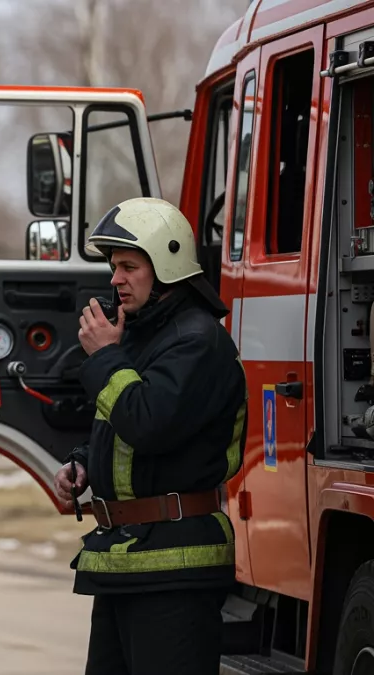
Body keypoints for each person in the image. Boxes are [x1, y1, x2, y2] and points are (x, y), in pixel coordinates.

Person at [53, 197, 246, 675]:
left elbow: (149, 423)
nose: (115, 279)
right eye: (114, 267)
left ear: (166, 265)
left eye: (129, 267)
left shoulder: (196, 341)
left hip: (174, 566)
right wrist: (85, 462)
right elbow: (123, 427)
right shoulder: (141, 338)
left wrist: (104, 358)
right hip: (129, 560)